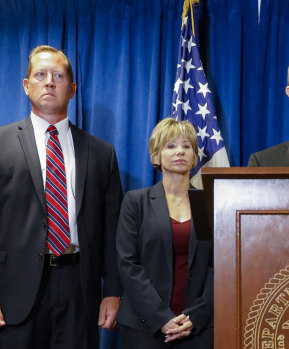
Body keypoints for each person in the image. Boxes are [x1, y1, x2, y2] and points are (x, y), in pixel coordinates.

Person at [0, 45, 123, 348]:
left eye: (58, 75)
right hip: (14, 291)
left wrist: (113, 291)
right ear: (27, 86)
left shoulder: (101, 153)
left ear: (72, 89)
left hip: (79, 288)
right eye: (40, 75)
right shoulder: (0, 144)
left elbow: (113, 231)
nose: (50, 82)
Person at [116, 118, 214, 348]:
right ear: (156, 156)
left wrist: (195, 316)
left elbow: (218, 267)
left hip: (197, 327)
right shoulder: (136, 202)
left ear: (194, 156)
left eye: (186, 146)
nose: (179, 151)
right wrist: (162, 318)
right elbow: (128, 264)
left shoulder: (206, 202)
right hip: (145, 326)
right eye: (170, 146)